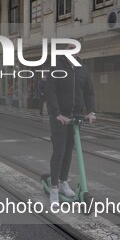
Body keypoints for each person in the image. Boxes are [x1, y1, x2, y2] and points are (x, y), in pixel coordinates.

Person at [46, 56, 96, 204]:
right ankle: (54, 187)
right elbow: (51, 91)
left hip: (76, 116)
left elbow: (89, 92)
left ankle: (63, 182)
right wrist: (57, 113)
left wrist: (91, 111)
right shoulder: (56, 67)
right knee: (59, 150)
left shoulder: (83, 69)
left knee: (69, 150)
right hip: (59, 117)